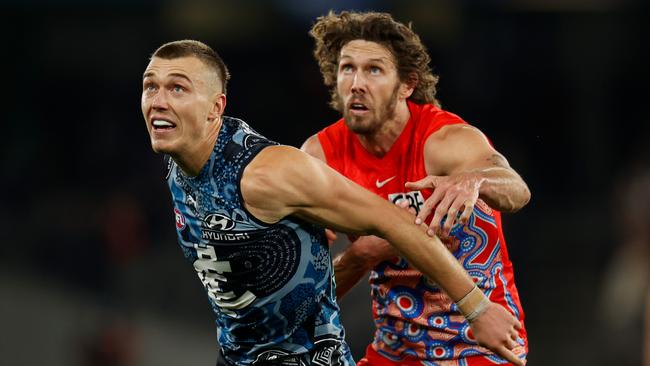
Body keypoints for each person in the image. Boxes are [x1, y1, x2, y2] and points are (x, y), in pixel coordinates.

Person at [140, 39, 523, 366]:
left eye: (177, 88)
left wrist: (478, 308)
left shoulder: (270, 172)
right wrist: (357, 258)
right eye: (150, 87)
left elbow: (399, 223)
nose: (158, 101)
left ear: (215, 108)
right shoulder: (179, 164)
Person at [302, 11, 531, 365]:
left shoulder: (444, 141)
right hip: (394, 350)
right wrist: (360, 257)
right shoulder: (320, 158)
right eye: (347, 68)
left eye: (374, 70)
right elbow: (307, 294)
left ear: (407, 85)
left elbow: (517, 190)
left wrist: (473, 180)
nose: (356, 83)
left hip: (481, 340)